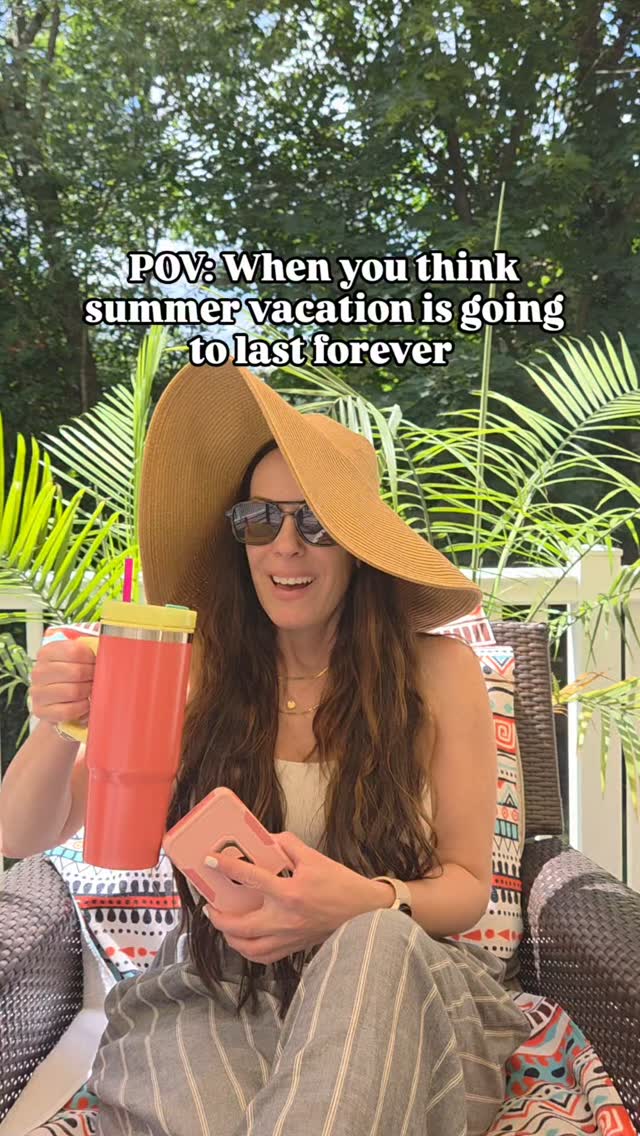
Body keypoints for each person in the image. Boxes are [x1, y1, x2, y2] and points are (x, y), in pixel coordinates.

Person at [1, 361, 531, 1136]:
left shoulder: (439, 671)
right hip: (220, 985)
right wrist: (57, 723)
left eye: (314, 523)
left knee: (372, 942)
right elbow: (22, 833)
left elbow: (467, 886)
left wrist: (364, 901)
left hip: (399, 979)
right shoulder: (191, 671)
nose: (285, 547)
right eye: (259, 519)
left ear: (357, 544)